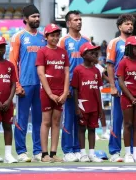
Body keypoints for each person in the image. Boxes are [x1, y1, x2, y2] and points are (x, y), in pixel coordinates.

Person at [9, 4, 46, 162]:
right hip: (24, 84)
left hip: (41, 86)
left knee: (39, 119)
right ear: (25, 19)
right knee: (22, 120)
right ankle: (21, 151)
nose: (37, 19)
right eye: (33, 17)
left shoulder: (44, 37)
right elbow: (12, 62)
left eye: (38, 16)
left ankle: (37, 151)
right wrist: (17, 85)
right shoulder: (18, 37)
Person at [58, 10, 89, 162]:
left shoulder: (86, 41)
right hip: (69, 86)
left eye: (80, 19)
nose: (79, 22)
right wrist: (64, 87)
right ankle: (67, 150)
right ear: (68, 23)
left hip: (84, 86)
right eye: (76, 20)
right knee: (69, 118)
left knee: (81, 118)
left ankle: (78, 148)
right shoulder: (63, 41)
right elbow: (60, 65)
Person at [36, 24, 69, 163]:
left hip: (60, 92)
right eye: (52, 35)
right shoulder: (42, 52)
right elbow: (41, 74)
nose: (55, 38)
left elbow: (67, 73)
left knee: (56, 122)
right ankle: (44, 154)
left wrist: (66, 91)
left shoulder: (63, 52)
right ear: (46, 37)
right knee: (46, 121)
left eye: (57, 35)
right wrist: (50, 94)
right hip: (47, 92)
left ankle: (54, 152)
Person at [107, 14, 136, 163]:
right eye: (126, 24)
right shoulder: (114, 43)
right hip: (119, 86)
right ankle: (114, 152)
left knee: (132, 121)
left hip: (134, 87)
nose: (130, 26)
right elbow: (110, 65)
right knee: (117, 120)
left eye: (131, 24)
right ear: (120, 27)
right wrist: (112, 86)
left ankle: (131, 152)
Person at [117, 36, 136, 163]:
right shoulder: (123, 62)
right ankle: (128, 153)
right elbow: (120, 81)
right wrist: (131, 97)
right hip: (127, 98)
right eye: (134, 47)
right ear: (128, 48)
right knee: (128, 124)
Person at [71, 42, 103, 163]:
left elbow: (98, 90)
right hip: (82, 105)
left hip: (94, 106)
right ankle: (83, 153)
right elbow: (75, 89)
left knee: (92, 129)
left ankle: (91, 154)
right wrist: (77, 107)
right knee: (81, 129)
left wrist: (100, 108)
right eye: (91, 52)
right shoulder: (78, 70)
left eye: (95, 52)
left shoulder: (96, 71)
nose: (94, 54)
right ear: (84, 55)